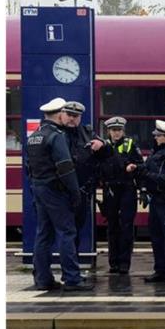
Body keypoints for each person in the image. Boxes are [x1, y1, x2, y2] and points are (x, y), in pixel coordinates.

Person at [25, 97, 93, 291]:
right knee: (67, 232)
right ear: (59, 114)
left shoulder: (35, 135)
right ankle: (72, 279)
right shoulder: (56, 135)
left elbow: (28, 166)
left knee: (43, 234)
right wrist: (74, 192)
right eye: (65, 114)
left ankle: (42, 279)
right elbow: (65, 167)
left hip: (39, 188)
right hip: (56, 190)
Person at [126, 120, 165, 285]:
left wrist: (145, 173)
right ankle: (161, 270)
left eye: (159, 135)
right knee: (156, 237)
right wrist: (138, 170)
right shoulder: (157, 153)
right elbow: (148, 170)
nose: (156, 138)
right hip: (156, 200)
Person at [59, 101, 113, 253]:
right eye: (69, 115)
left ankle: (72, 268)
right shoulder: (56, 132)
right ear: (62, 115)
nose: (72, 119)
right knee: (63, 232)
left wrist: (102, 144)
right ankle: (66, 270)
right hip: (61, 191)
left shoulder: (87, 132)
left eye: (75, 116)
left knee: (76, 230)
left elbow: (108, 154)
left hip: (82, 192)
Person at [98, 116, 143, 275]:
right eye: (113, 130)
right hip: (110, 190)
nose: (116, 133)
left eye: (119, 130)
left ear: (123, 131)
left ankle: (124, 263)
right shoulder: (103, 146)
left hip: (127, 189)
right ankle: (113, 263)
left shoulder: (130, 144)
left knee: (126, 226)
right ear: (108, 131)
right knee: (112, 226)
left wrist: (134, 167)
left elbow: (141, 165)